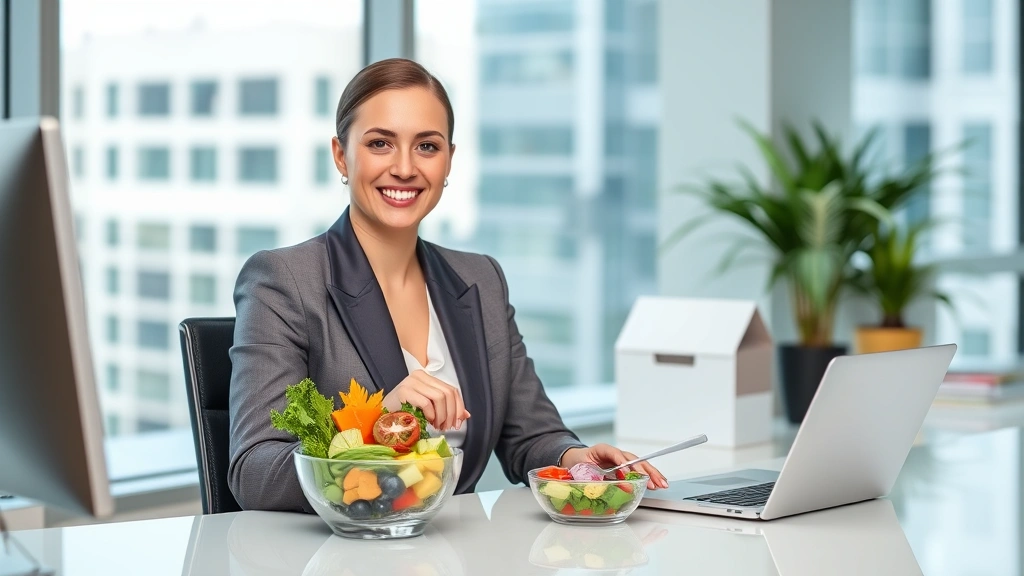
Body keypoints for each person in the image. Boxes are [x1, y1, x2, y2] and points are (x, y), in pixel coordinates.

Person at [227, 58, 667, 512]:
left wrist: (576, 460)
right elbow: (254, 473)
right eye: (380, 143)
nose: (404, 168)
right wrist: (380, 419)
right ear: (341, 155)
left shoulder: (481, 280)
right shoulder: (285, 280)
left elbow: (531, 435)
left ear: (449, 160)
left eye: (427, 146)